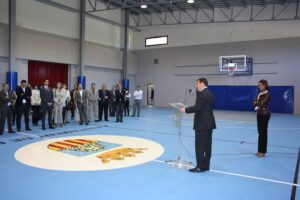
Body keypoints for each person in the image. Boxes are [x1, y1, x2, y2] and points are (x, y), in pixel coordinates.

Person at [179, 78, 216, 173]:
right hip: (209, 123)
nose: (196, 85)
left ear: (202, 83)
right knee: (208, 146)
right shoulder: (210, 93)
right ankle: (206, 166)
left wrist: (185, 110)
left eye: (197, 84)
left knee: (199, 146)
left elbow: (198, 107)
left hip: (202, 124)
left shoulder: (202, 94)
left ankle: (200, 166)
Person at [253, 79, 271, 158]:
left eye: (260, 85)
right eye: (258, 85)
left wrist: (257, 105)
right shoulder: (259, 94)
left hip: (265, 114)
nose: (259, 86)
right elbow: (253, 102)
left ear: (264, 85)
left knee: (263, 133)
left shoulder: (268, 94)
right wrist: (256, 105)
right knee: (260, 133)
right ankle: (259, 150)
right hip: (259, 114)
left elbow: (262, 103)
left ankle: (263, 151)